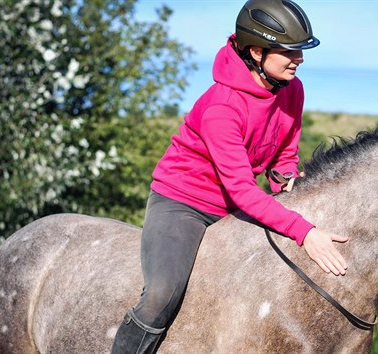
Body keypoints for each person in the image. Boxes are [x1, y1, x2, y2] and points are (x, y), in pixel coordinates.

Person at [111, 1, 348, 352]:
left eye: (299, 50)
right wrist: (304, 231)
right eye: (289, 51)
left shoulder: (291, 90)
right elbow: (242, 190)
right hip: (183, 204)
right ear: (256, 51)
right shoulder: (221, 106)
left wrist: (288, 186)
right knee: (161, 295)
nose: (299, 59)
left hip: (236, 207)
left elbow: (284, 156)